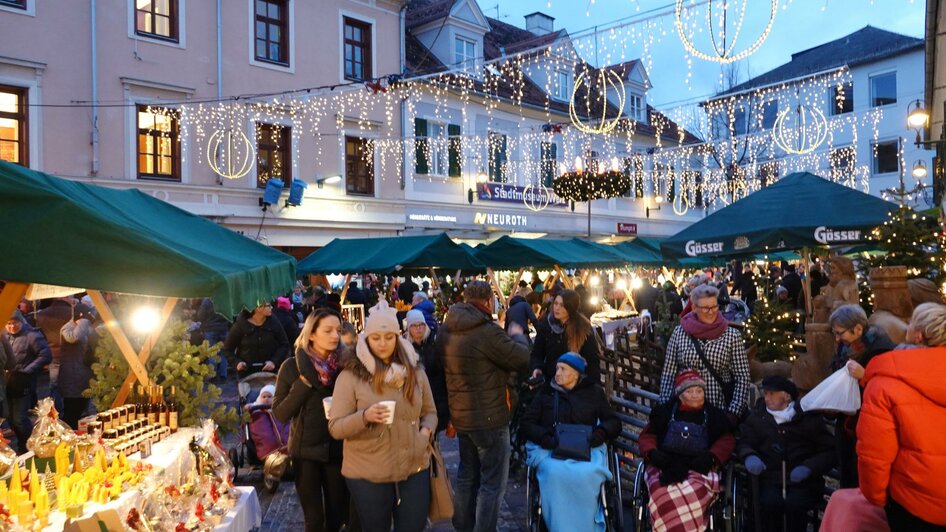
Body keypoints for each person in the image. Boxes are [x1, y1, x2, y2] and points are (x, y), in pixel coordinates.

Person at [329, 301, 437, 532]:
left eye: (389, 337)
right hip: (368, 472)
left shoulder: (415, 370)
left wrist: (424, 435)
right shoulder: (350, 376)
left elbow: (430, 412)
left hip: (413, 465)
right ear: (367, 338)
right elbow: (336, 427)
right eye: (376, 337)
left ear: (397, 337)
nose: (383, 343)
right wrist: (365, 416)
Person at [435, 280, 530, 532]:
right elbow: (520, 357)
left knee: (467, 476)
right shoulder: (486, 331)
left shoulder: (446, 329)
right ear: (489, 301)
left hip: (462, 415)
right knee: (492, 483)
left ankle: (463, 526)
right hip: (490, 417)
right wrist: (518, 336)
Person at [857, 302, 946, 530]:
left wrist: (877, 497)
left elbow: (875, 452)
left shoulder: (886, 381)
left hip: (915, 502)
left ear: (918, 335)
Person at [520, 353, 621, 531]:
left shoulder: (594, 393)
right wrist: (545, 438)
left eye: (563, 369)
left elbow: (613, 422)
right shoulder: (547, 392)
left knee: (588, 474)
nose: (557, 373)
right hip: (551, 449)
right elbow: (527, 423)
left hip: (586, 449)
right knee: (553, 473)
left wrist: (600, 433)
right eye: (557, 368)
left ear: (576, 374)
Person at [273, 308, 350, 532]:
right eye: (328, 330)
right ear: (312, 334)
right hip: (305, 453)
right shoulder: (291, 367)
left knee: (337, 515)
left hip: (337, 449)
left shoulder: (346, 366)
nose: (335, 335)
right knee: (314, 520)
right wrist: (303, 384)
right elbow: (279, 413)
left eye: (338, 330)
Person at [639, 370, 735, 531]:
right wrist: (653, 453)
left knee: (694, 492)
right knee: (659, 491)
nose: (695, 395)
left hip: (700, 467)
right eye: (690, 391)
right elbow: (647, 436)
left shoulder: (714, 416)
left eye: (699, 391)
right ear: (680, 394)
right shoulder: (665, 412)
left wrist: (712, 456)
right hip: (665, 465)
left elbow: (727, 440)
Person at [737, 376, 835, 532]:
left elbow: (829, 450)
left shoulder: (807, 418)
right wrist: (750, 455)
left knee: (795, 504)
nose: (767, 398)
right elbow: (745, 441)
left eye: (772, 394)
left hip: (803, 481)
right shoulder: (757, 417)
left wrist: (808, 467)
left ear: (786, 396)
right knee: (770, 503)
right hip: (770, 478)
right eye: (766, 393)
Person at [828, 304, 896, 488]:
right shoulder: (846, 347)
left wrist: (864, 375)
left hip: (867, 424)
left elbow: (890, 387)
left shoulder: (881, 350)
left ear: (857, 329)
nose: (837, 339)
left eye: (840, 333)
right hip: (848, 422)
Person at [659, 284, 751, 420]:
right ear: (694, 307)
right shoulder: (680, 332)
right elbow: (669, 373)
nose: (711, 312)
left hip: (719, 409)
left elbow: (742, 376)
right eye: (706, 308)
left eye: (714, 306)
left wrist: (734, 412)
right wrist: (665, 406)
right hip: (685, 409)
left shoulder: (732, 336)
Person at [3, 310, 52, 452]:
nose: (11, 327)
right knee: (10, 419)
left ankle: (29, 446)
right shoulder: (4, 336)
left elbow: (45, 355)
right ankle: (23, 446)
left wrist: (27, 370)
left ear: (21, 321)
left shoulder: (32, 335)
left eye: (14, 323)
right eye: (8, 324)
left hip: (23, 382)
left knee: (19, 419)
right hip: (8, 383)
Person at [531, 289, 602, 385]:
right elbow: (537, 353)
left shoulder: (583, 327)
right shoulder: (546, 324)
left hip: (576, 382)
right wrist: (537, 368)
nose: (557, 308)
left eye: (562, 305)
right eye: (556, 303)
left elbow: (592, 359)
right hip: (551, 380)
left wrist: (590, 384)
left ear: (571, 308)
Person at [404, 309, 448, 433]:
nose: (419, 328)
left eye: (421, 325)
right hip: (417, 400)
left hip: (437, 398)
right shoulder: (405, 348)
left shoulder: (435, 341)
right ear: (409, 328)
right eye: (414, 325)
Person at [221, 302, 290, 379]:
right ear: (258, 308)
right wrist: (237, 363)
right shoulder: (240, 325)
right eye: (268, 306)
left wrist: (274, 361)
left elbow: (284, 344)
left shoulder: (274, 322)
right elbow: (227, 350)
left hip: (270, 373)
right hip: (246, 374)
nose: (271, 307)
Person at [58, 316, 97, 430]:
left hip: (77, 378)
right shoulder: (77, 329)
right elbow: (74, 338)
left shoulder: (80, 331)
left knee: (76, 411)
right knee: (73, 412)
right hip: (75, 378)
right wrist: (84, 322)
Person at [196, 298, 231, 380]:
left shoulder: (207, 301)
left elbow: (201, 315)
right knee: (223, 353)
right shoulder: (226, 299)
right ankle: (223, 375)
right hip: (224, 328)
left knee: (211, 352)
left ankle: (212, 375)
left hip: (210, 329)